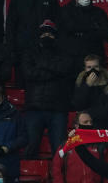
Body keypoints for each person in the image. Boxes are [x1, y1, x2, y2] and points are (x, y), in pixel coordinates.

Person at [21, 21, 73, 157]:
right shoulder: (29, 52)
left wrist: (41, 65)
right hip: (34, 108)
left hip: (58, 109)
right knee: (30, 147)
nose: (47, 35)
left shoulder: (64, 52)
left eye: (50, 33)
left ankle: (61, 178)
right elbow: (28, 73)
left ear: (55, 36)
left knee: (60, 150)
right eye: (44, 32)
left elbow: (64, 69)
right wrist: (52, 70)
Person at [71, 61, 108, 130]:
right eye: (89, 67)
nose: (93, 70)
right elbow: (78, 105)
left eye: (96, 67)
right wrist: (87, 86)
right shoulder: (79, 83)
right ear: (85, 69)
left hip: (105, 125)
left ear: (100, 68)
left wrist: (89, 113)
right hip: (86, 126)